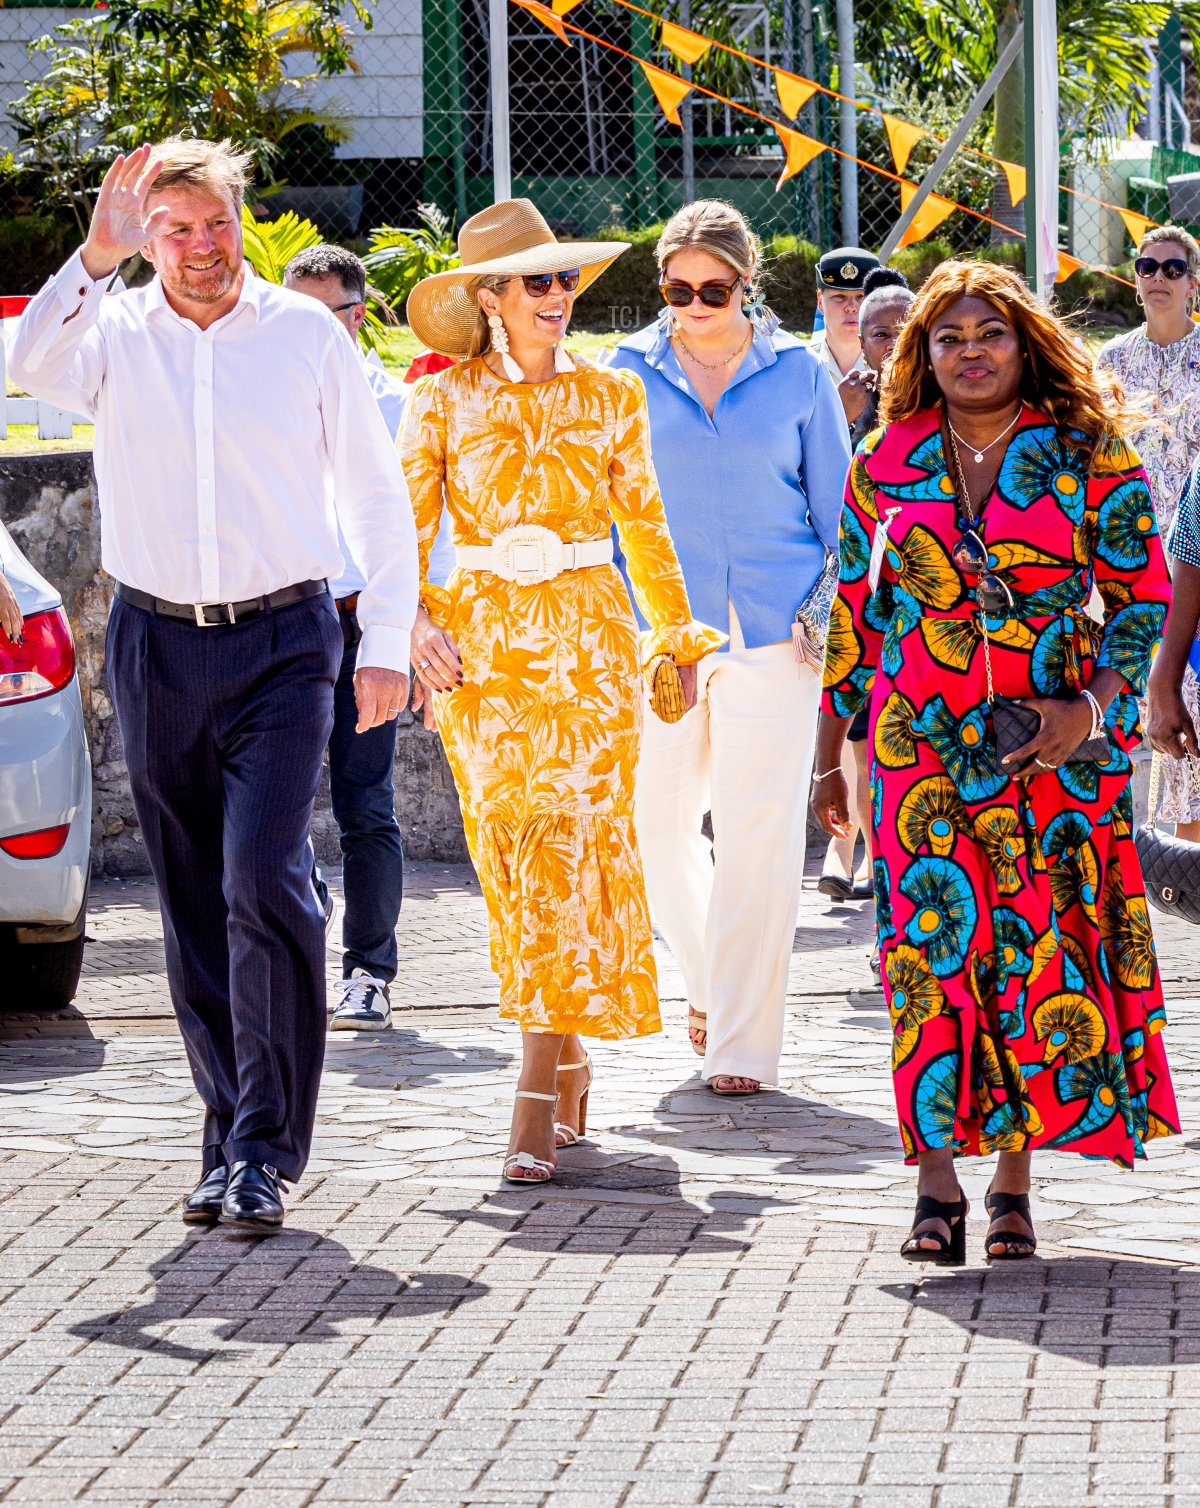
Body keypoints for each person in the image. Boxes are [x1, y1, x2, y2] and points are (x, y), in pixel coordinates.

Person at [10, 140, 417, 1232]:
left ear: (245, 222)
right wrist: (93, 257)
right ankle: (227, 1133)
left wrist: (385, 636)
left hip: (284, 639)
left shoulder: (300, 336)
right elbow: (26, 364)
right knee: (192, 891)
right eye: (175, 228)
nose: (200, 248)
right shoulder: (112, 333)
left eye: (217, 224)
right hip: (155, 638)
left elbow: (378, 496)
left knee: (260, 875)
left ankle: (265, 1147)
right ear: (148, 236)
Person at [813, 260, 1178, 1265]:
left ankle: (1013, 1180)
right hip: (914, 753)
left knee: (1032, 963)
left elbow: (1143, 598)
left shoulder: (1089, 452)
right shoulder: (884, 458)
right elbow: (854, 614)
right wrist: (825, 758)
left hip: (1047, 754)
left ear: (1026, 343)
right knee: (931, 964)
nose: (970, 351)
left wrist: (1089, 704)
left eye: (990, 334)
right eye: (948, 337)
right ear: (922, 354)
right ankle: (937, 1184)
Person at [400, 199, 722, 1184]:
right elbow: (399, 539)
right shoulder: (440, 401)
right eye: (535, 280)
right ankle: (570, 1049)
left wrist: (677, 634)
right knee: (515, 859)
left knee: (578, 851)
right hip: (485, 656)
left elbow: (649, 527)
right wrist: (413, 623)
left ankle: (535, 1086)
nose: (556, 295)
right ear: (487, 297)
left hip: (589, 646)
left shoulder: (613, 395)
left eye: (564, 278)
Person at [607, 200, 849, 1094]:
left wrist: (821, 618)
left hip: (776, 635)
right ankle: (709, 982)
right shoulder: (623, 372)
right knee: (654, 827)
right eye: (678, 287)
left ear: (748, 283)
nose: (696, 303)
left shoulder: (799, 374)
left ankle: (741, 1044)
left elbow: (843, 518)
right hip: (658, 635)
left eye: (714, 287)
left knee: (757, 837)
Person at [283, 244, 409, 1032]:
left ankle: (369, 971)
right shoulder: (260, 397)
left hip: (364, 621)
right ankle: (297, 938)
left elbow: (419, 532)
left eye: (313, 313)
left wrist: (401, 641)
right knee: (273, 807)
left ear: (355, 318)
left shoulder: (394, 405)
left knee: (365, 804)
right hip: (284, 623)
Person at [1098, 226, 1200, 840]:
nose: (1158, 276)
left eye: (1172, 267)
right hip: (1131, 567)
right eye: (1147, 266)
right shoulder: (1108, 363)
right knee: (1150, 716)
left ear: (1194, 283)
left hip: (1198, 557)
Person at [821, 267, 915, 914]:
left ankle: (876, 875)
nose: (890, 343)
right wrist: (847, 415)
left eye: (904, 331)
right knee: (863, 750)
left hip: (925, 628)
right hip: (861, 609)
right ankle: (876, 879)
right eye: (878, 332)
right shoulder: (844, 400)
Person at [809, 246, 880, 430]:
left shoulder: (892, 367)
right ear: (820, 301)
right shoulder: (802, 366)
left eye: (861, 296)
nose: (851, 307)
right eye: (839, 297)